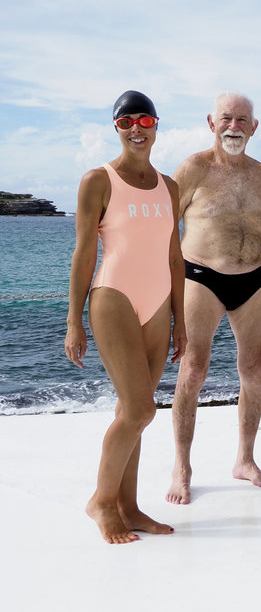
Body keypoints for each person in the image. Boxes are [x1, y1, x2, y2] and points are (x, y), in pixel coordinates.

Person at [65, 90, 186, 543]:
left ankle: (129, 507)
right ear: (116, 129)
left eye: (144, 120)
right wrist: (73, 321)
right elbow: (83, 253)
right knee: (140, 408)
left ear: (156, 125)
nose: (136, 127)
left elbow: (175, 256)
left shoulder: (169, 186)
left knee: (131, 411)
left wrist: (182, 322)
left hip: (158, 302)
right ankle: (101, 501)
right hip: (112, 295)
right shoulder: (98, 180)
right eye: (125, 121)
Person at [165, 92, 261, 505]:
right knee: (193, 371)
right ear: (211, 123)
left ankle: (245, 459)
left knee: (256, 371)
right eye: (226, 118)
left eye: (242, 119)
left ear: (254, 126)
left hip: (255, 280)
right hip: (202, 277)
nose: (234, 126)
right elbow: (166, 229)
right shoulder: (194, 168)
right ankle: (181, 466)